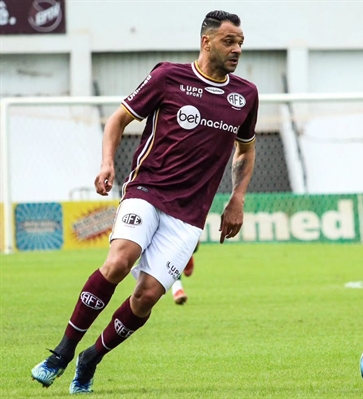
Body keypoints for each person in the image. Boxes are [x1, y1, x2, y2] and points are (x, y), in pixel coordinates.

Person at [31, 10, 258, 394]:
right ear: (206, 42)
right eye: (228, 41)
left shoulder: (245, 95)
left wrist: (237, 198)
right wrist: (107, 163)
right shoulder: (168, 76)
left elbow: (246, 150)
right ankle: (63, 352)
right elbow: (117, 120)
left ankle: (91, 359)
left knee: (147, 296)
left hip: (190, 214)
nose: (236, 49)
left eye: (240, 42)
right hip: (147, 190)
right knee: (120, 259)